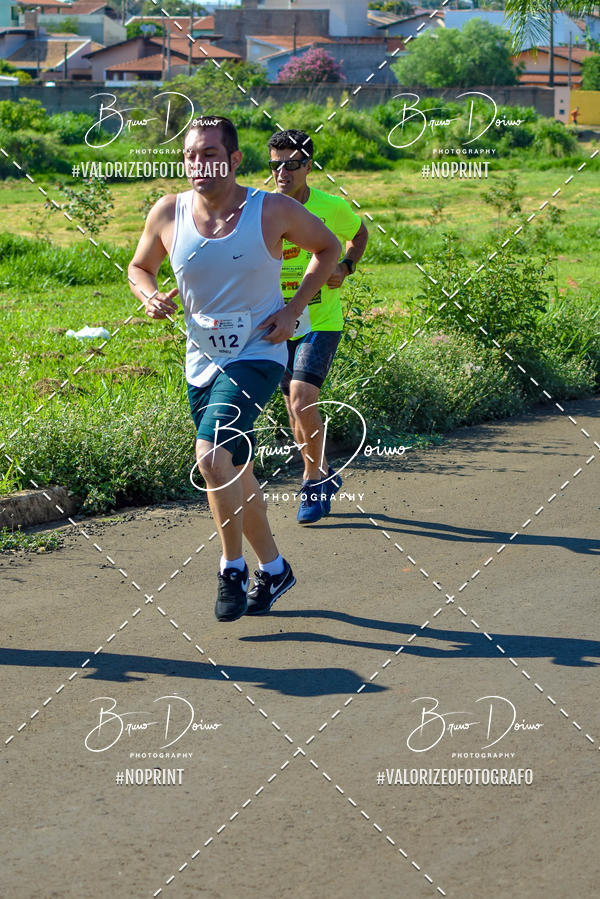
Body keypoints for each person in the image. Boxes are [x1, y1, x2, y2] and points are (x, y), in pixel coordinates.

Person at [128, 116, 341, 621]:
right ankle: (275, 567)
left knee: (211, 457)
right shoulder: (168, 212)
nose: (200, 164)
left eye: (210, 153)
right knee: (235, 473)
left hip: (259, 352)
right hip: (201, 360)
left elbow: (329, 248)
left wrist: (293, 310)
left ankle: (231, 568)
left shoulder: (271, 210)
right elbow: (140, 268)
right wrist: (150, 295)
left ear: (235, 158)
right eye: (191, 155)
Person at [268, 129, 369, 525]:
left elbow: (359, 233)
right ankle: (324, 471)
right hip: (277, 321)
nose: (282, 173)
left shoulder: (331, 206)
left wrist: (346, 267)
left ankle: (311, 482)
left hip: (320, 320)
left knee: (301, 398)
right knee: (295, 412)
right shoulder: (262, 208)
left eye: (291, 164)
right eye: (275, 165)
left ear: (308, 166)